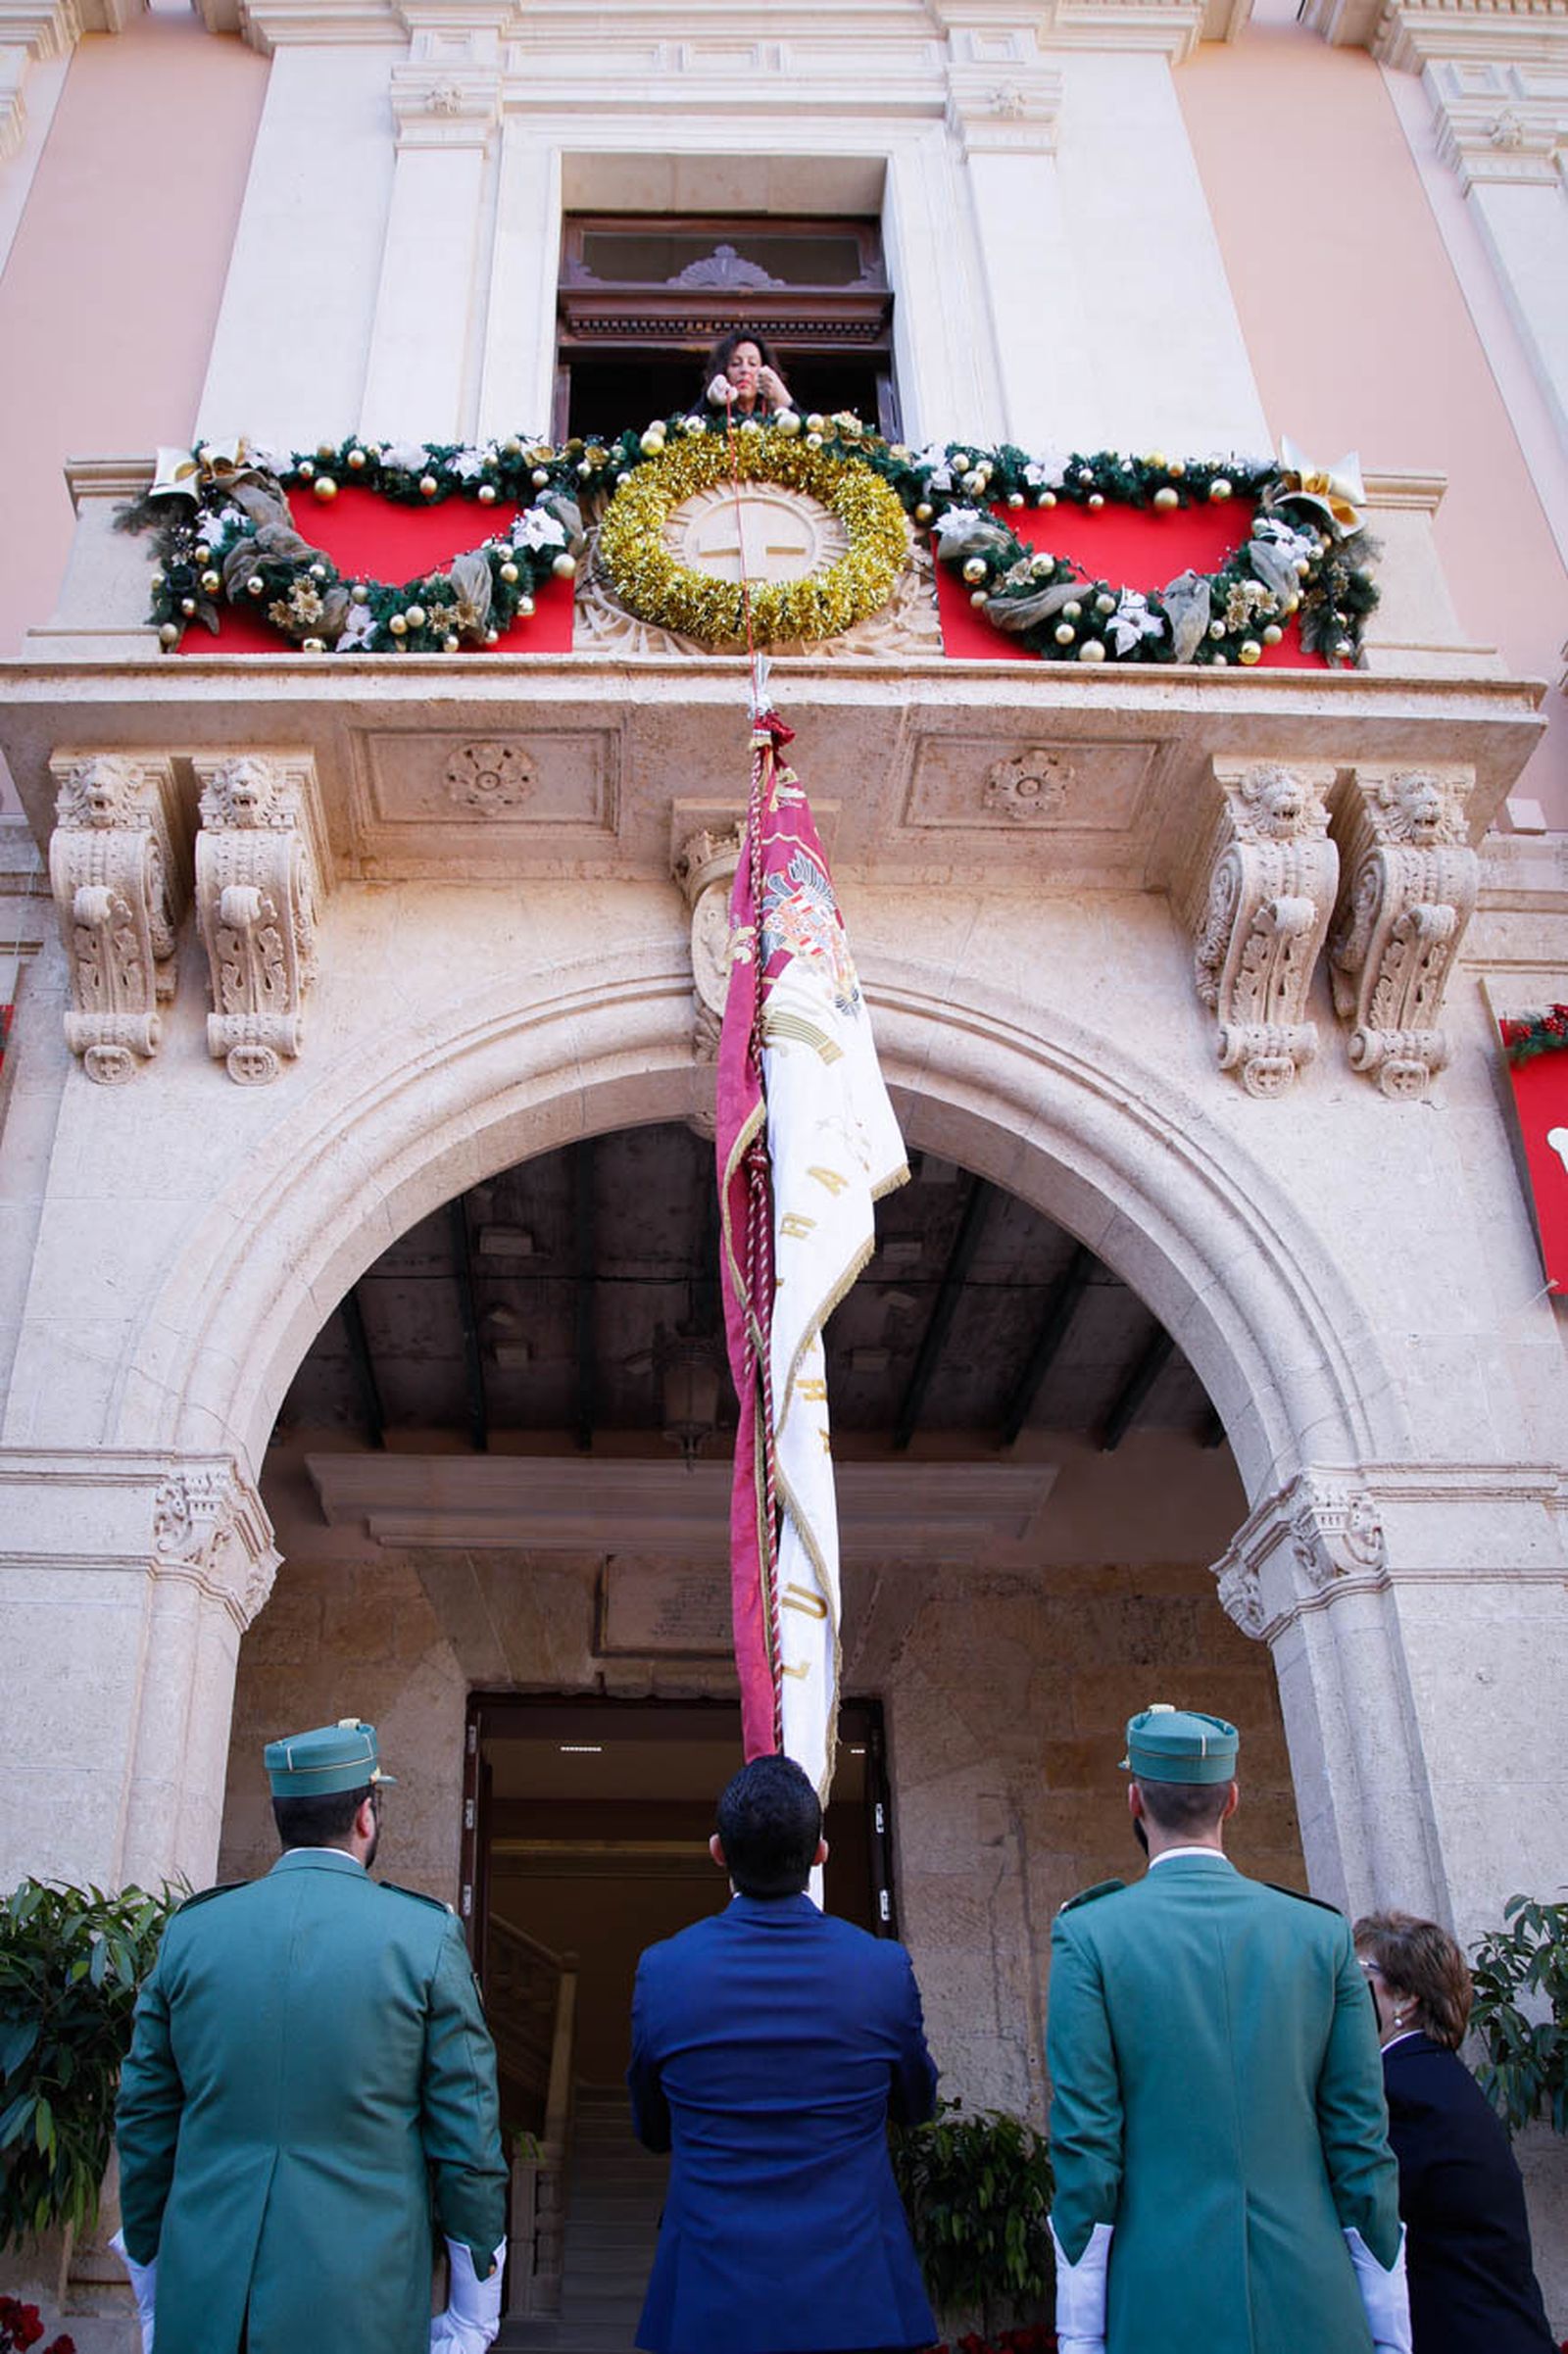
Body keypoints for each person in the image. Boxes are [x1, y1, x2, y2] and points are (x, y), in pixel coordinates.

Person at [112, 1719, 510, 2354]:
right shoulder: (422, 1937)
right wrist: (473, 2309)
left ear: (280, 1817)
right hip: (361, 2307)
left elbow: (143, 2121)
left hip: (206, 2301)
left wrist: (156, 2288)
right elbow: (469, 2141)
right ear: (365, 1816)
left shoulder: (192, 1932)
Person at [1046, 1703, 1411, 2354]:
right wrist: (1389, 2329)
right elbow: (1362, 2145)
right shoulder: (1320, 1934)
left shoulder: (1090, 1934)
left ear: (1135, 1800)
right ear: (1233, 1800)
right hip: (1316, 2300)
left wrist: (1079, 2332)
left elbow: (1086, 2150)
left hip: (1160, 2300)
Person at [627, 1752, 939, 2354]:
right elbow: (916, 2105)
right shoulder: (879, 1968)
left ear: (719, 1851)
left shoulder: (664, 1971)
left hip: (711, 2299)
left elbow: (653, 2128)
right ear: (821, 1852)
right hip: (857, 2298)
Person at [1353, 1910, 1556, 2354]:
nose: (1343, 1992)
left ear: (1405, 1999)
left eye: (1359, 1976)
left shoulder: (1397, 2089)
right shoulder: (1436, 2077)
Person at [703, 327, 794, 420]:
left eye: (752, 364)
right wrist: (707, 402)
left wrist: (785, 400)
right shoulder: (711, 418)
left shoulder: (774, 419)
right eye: (735, 364)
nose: (744, 370)